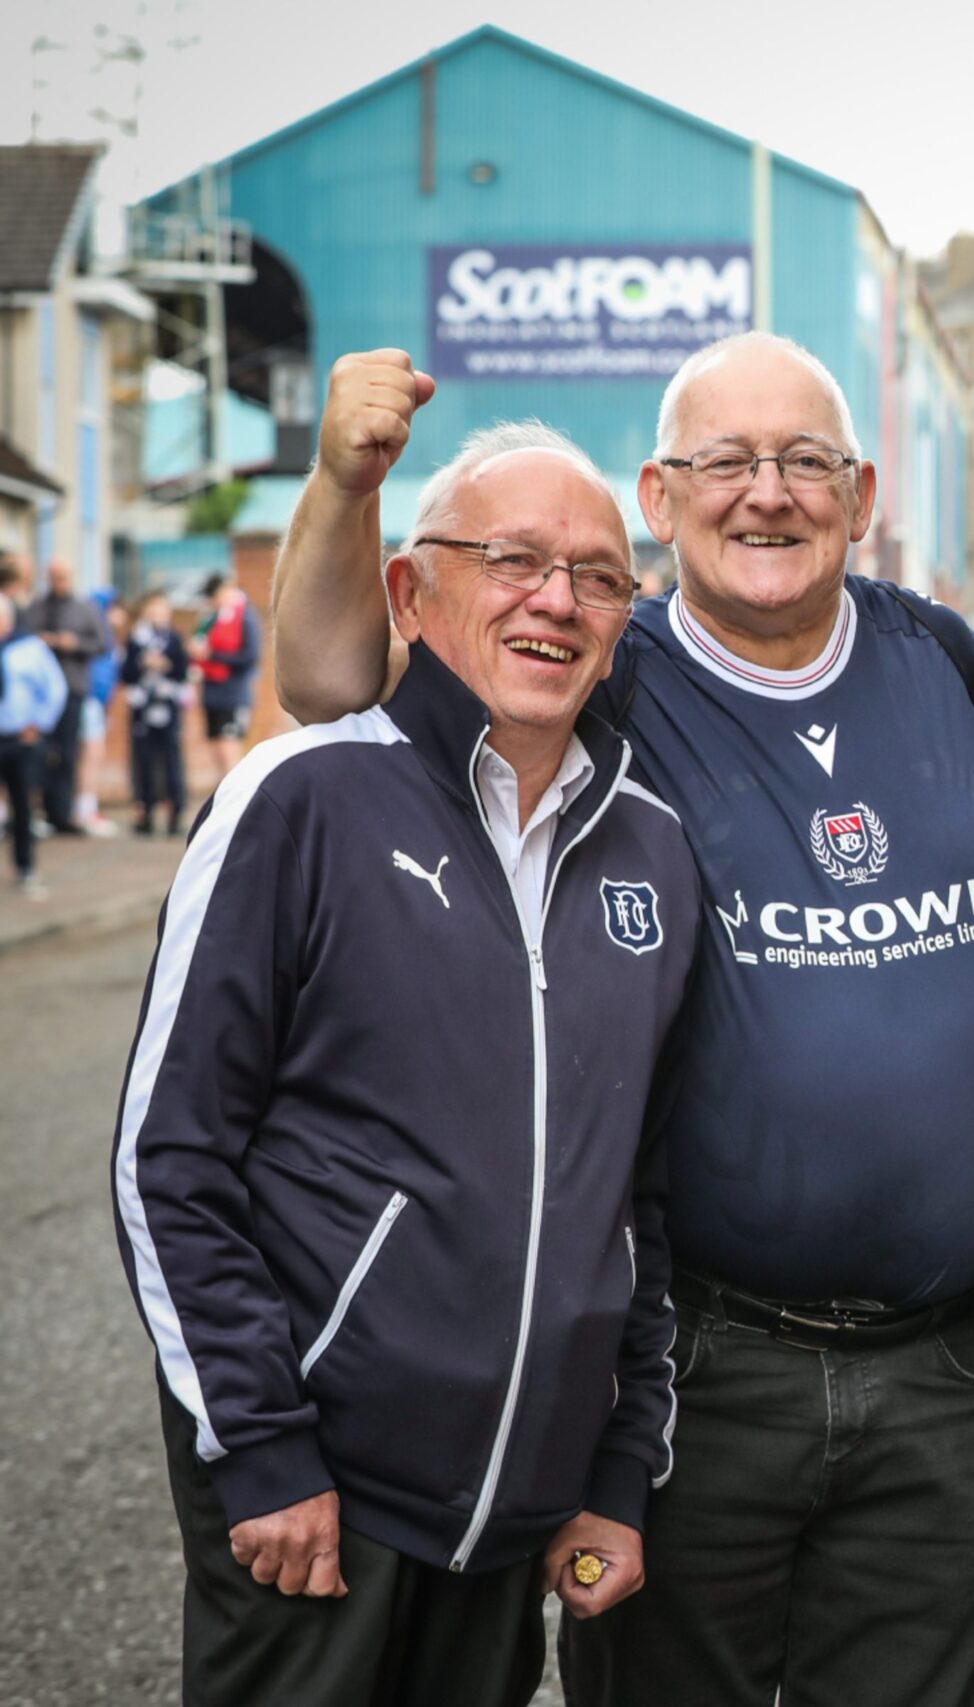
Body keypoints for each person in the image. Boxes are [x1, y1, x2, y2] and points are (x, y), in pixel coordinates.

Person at [267, 337, 974, 1707]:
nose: (767, 493)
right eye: (724, 461)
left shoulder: (944, 657)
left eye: (803, 460)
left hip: (947, 1366)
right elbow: (331, 687)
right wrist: (341, 482)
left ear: (859, 493)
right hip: (697, 1371)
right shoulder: (605, 670)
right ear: (659, 497)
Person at [112, 421, 701, 1706]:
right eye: (512, 560)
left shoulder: (654, 851)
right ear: (410, 590)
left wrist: (613, 1481)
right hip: (319, 1502)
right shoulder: (301, 799)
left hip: (514, 1530)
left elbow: (636, 1211)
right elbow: (171, 1159)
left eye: (600, 576)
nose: (557, 598)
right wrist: (260, 1451)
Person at [30, 560, 107, 831]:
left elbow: (100, 644)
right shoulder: (37, 607)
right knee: (40, 752)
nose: (58, 583)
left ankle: (63, 813)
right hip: (40, 693)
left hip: (72, 688)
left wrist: (74, 643)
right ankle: (43, 812)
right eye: (54, 577)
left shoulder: (85, 608)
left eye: (63, 577)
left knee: (68, 752)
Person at [0, 592, 68, 895]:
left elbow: (55, 688)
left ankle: (26, 868)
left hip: (20, 739)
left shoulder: (30, 648)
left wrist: (38, 724)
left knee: (23, 805)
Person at [124, 590, 193, 836]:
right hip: (143, 709)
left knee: (172, 760)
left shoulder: (174, 639)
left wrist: (166, 665)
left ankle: (175, 811)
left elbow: (184, 671)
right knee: (143, 760)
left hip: (168, 708)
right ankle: (144, 810)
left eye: (161, 610)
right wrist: (143, 663)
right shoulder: (137, 639)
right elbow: (126, 673)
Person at [194, 574, 263, 780]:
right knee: (217, 751)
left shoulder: (245, 617)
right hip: (212, 692)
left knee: (229, 752)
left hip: (233, 694)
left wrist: (213, 655)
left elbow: (250, 657)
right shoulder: (211, 619)